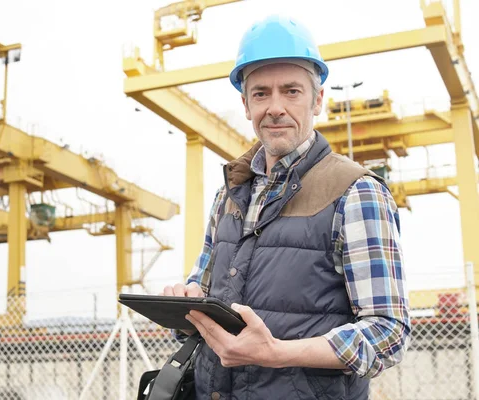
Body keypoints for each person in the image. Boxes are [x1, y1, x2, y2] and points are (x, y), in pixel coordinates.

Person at [161, 14, 411, 399]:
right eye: (261, 93)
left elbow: (388, 333)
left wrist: (277, 354)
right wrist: (189, 305)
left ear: (318, 100)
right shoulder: (228, 194)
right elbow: (205, 286)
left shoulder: (356, 192)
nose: (275, 107)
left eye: (291, 91)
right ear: (246, 105)